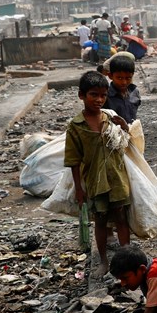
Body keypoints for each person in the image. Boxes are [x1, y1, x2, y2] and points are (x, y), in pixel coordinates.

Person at [65, 72, 131, 276]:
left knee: (121, 218)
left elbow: (125, 144)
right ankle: (103, 261)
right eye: (94, 95)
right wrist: (78, 189)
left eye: (103, 95)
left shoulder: (110, 118)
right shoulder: (76, 126)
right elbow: (73, 161)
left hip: (117, 178)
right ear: (81, 96)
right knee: (100, 220)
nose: (99, 100)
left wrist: (124, 127)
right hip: (95, 181)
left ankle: (127, 259)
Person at [104, 55, 141, 124]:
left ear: (132, 75)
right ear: (110, 76)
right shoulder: (105, 96)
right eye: (119, 78)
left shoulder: (134, 91)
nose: (124, 82)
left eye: (128, 78)